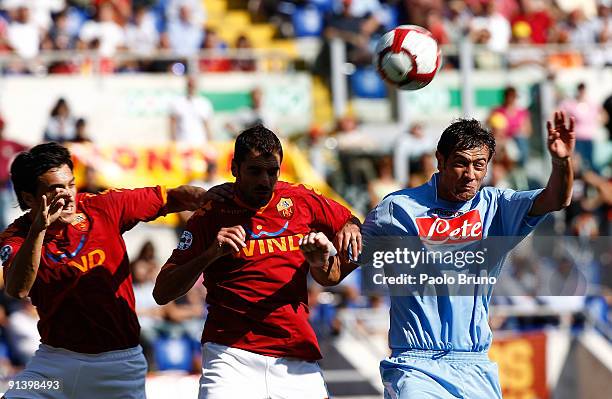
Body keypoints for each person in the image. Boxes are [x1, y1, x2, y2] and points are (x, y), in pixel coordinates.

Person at [300, 111, 575, 399]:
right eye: (461, 163)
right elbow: (333, 274)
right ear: (440, 161)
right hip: (416, 366)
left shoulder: (496, 208)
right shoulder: (398, 210)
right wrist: (320, 262)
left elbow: (557, 198)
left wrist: (561, 161)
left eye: (479, 165)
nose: (471, 175)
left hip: (475, 364)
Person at [0, 142, 232, 399]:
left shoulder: (103, 207)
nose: (68, 195)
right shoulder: (16, 236)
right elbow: (17, 288)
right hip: (54, 366)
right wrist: (39, 230)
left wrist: (205, 198)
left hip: (118, 367)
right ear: (30, 197)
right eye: (56, 189)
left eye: (71, 184)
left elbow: (172, 197)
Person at [153, 125, 361, 398]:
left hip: (294, 354)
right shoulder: (210, 214)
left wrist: (352, 226)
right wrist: (211, 254)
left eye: (272, 171)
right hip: (229, 355)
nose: (265, 180)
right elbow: (162, 292)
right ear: (235, 168)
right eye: (254, 171)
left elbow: (348, 226)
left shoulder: (300, 200)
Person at [169, 76, 215, 146]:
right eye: (190, 84)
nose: (191, 86)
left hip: (201, 143)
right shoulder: (177, 102)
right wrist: (173, 142)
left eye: (193, 84)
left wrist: (210, 142)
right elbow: (172, 124)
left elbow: (207, 125)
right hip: (182, 144)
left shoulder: (204, 103)